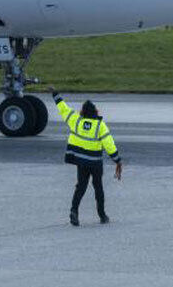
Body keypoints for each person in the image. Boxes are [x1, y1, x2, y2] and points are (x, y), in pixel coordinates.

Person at [48, 85, 122, 226]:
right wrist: (117, 159)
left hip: (81, 162)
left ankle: (74, 211)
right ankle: (102, 215)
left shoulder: (76, 121)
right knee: (98, 187)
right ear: (96, 111)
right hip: (95, 163)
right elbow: (109, 144)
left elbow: (63, 109)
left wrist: (55, 94)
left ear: (82, 112)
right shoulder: (100, 126)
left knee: (81, 186)